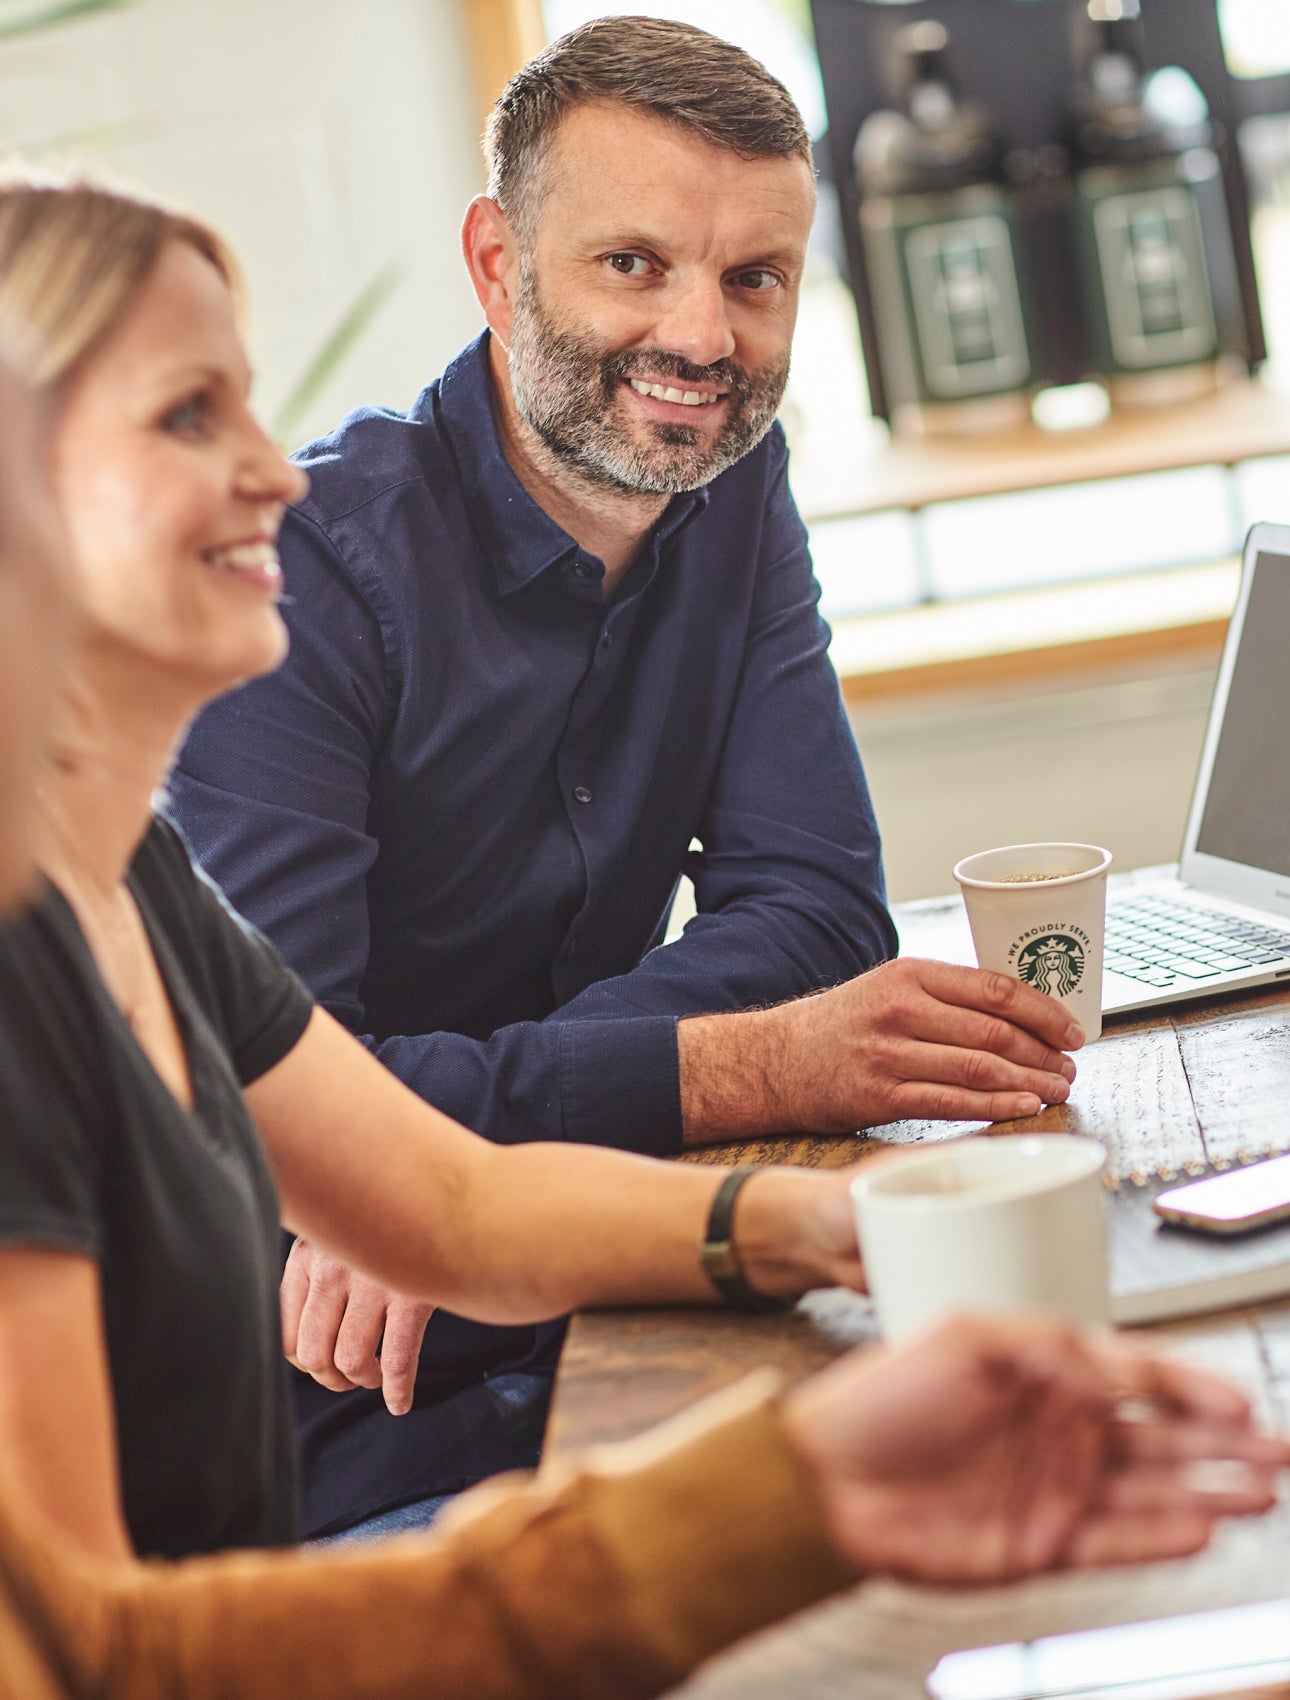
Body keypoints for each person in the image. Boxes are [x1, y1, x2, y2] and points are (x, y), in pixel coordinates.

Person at [0, 207, 1280, 1700]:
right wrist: (763, 1503)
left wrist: (855, 1228)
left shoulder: (128, 885)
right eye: (185, 416)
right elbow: (98, 1662)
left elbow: (452, 1200)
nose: (270, 474)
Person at [168, 14, 1086, 1538]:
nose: (703, 341)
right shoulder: (297, 585)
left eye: (754, 279)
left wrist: (438, 1154)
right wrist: (748, 1061)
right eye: (632, 264)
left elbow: (815, 909)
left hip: (611, 1290)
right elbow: (292, 1112)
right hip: (329, 1424)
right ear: (494, 264)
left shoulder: (728, 488)